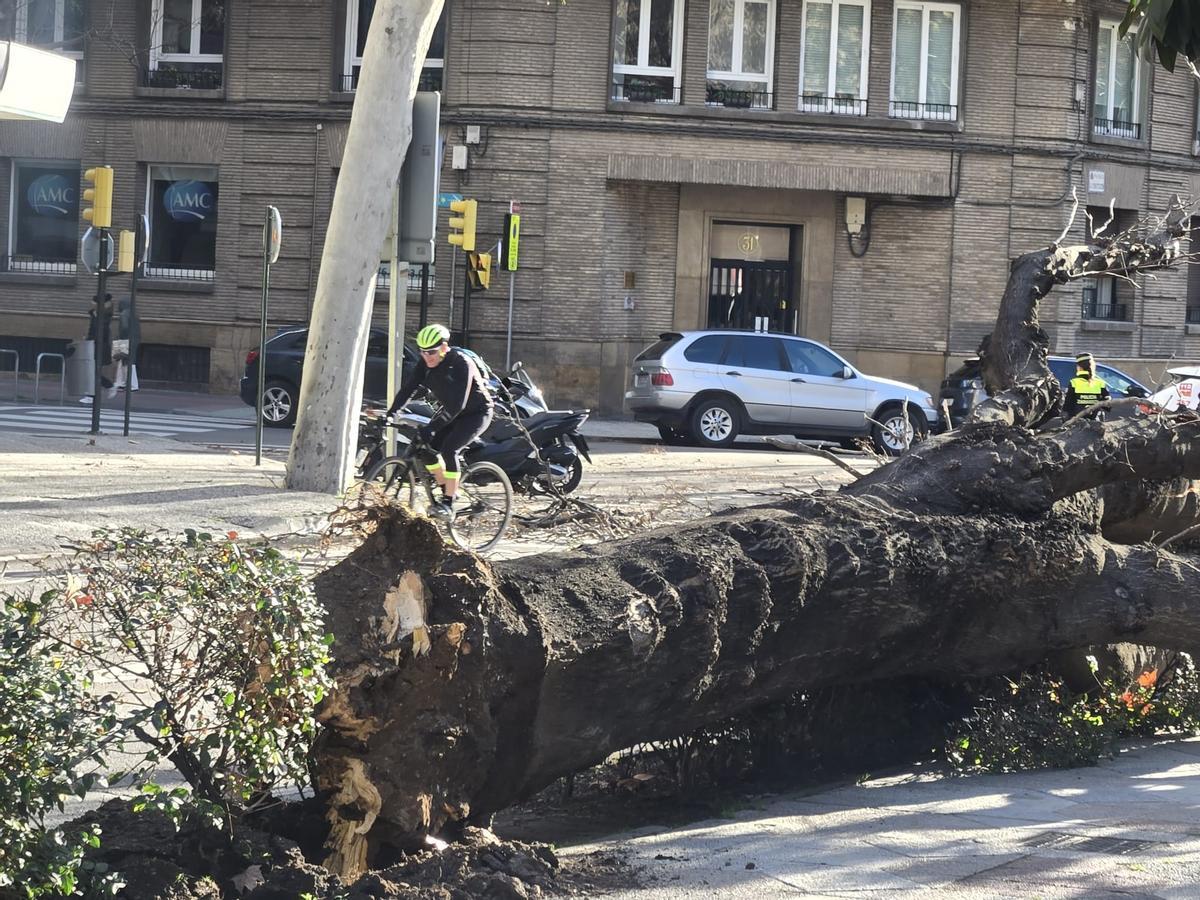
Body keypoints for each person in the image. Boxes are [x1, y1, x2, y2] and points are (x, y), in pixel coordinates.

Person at [386, 324, 494, 521]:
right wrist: (392, 413)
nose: (427, 357)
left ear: (444, 347)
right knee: (425, 449)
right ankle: (448, 488)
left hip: (477, 413)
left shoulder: (461, 363)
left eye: (431, 352)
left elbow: (458, 405)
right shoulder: (425, 363)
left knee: (449, 450)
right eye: (423, 352)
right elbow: (409, 388)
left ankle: (448, 504)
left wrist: (433, 427)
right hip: (451, 412)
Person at [1063, 352, 1110, 417]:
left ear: (1079, 367)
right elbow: (1108, 406)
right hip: (1094, 420)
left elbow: (1067, 406)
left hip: (1077, 420)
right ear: (1093, 366)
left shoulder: (1074, 383)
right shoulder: (1100, 383)